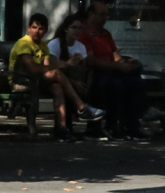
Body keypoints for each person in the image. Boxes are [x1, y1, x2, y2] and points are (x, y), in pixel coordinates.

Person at [9, 12, 104, 142]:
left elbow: (47, 68)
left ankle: (62, 130)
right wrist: (63, 65)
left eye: (41, 28)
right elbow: (33, 69)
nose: (37, 31)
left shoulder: (43, 45)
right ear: (28, 28)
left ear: (46, 31)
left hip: (37, 81)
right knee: (56, 73)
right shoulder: (24, 44)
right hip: (21, 82)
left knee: (57, 87)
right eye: (34, 28)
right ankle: (82, 107)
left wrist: (70, 68)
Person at [82, 1, 146, 139]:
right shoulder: (84, 32)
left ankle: (132, 126)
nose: (105, 18)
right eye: (102, 14)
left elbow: (116, 56)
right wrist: (117, 66)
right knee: (115, 85)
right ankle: (111, 126)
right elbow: (90, 61)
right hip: (93, 74)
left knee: (136, 81)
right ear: (91, 14)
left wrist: (126, 62)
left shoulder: (106, 34)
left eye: (107, 15)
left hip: (111, 71)